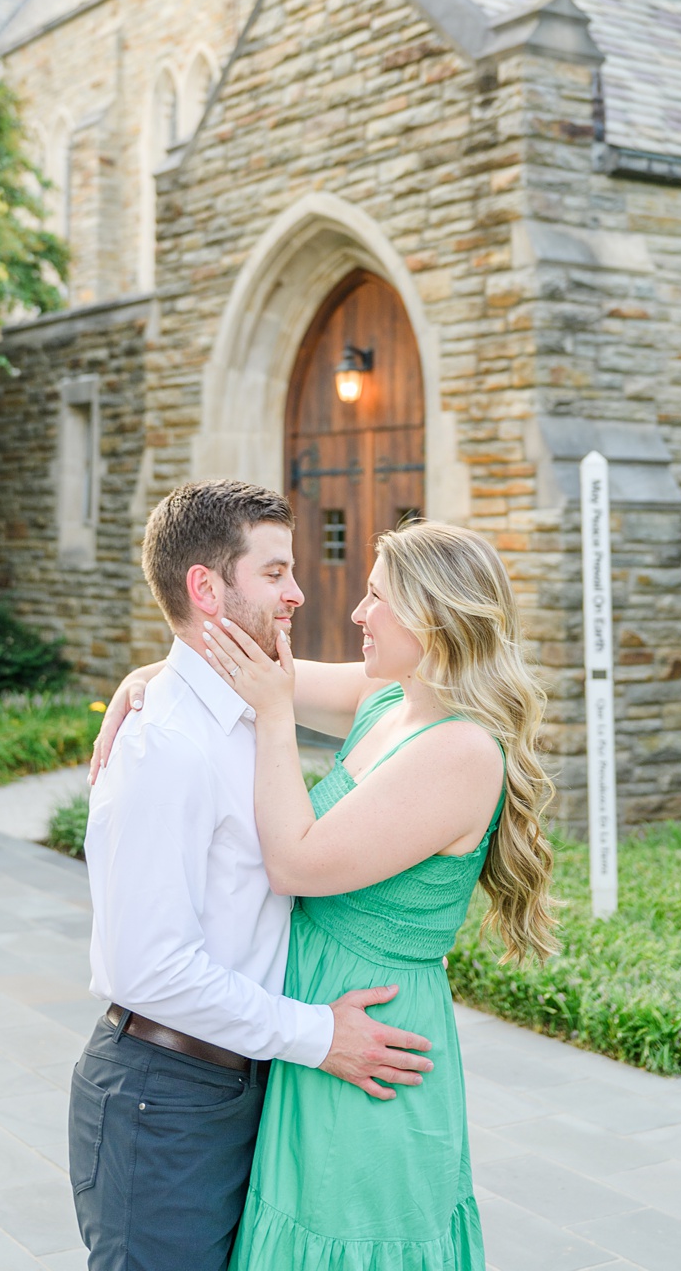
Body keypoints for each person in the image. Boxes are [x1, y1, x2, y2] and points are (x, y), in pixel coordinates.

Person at [71, 480, 435, 1271]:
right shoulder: (162, 744)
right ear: (207, 587)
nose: (300, 593)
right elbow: (149, 967)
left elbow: (401, 695)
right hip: (163, 1100)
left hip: (243, 1088)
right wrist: (318, 1036)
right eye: (275, 573)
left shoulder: (247, 710)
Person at [196, 521, 554, 1271]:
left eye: (376, 597)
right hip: (316, 1020)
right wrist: (144, 681)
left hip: (373, 1035)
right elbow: (249, 668)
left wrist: (271, 720)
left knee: (351, 1237)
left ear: (433, 617)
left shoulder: (459, 750)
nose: (357, 614)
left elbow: (294, 863)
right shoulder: (388, 698)